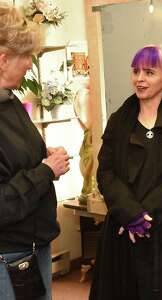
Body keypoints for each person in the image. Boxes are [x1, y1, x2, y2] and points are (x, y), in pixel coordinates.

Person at [89, 45, 162, 300]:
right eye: (135, 71)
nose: (139, 79)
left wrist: (144, 217)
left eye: (149, 72)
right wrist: (130, 215)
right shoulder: (119, 120)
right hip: (123, 229)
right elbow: (106, 173)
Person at [0, 3, 70, 299]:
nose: (30, 64)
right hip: (9, 256)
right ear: (3, 60)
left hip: (30, 246)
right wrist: (45, 171)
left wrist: (43, 157)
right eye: (26, 56)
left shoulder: (11, 103)